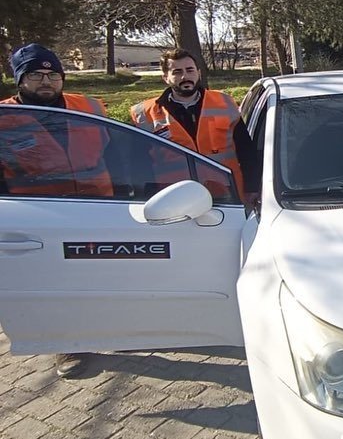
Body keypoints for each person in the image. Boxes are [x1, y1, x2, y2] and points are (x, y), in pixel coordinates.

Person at [0, 43, 110, 380]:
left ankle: (116, 328)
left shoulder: (90, 107)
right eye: (36, 75)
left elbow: (117, 150)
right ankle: (68, 343)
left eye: (53, 75)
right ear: (20, 80)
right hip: (43, 217)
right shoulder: (4, 119)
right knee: (56, 282)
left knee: (104, 274)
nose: (46, 81)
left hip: (100, 207)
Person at [130, 49, 259, 203]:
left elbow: (246, 151)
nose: (185, 77)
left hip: (226, 194)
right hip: (174, 200)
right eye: (177, 72)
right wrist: (146, 197)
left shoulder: (224, 103)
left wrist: (252, 187)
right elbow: (139, 164)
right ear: (165, 77)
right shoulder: (145, 113)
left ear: (198, 73)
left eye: (189, 70)